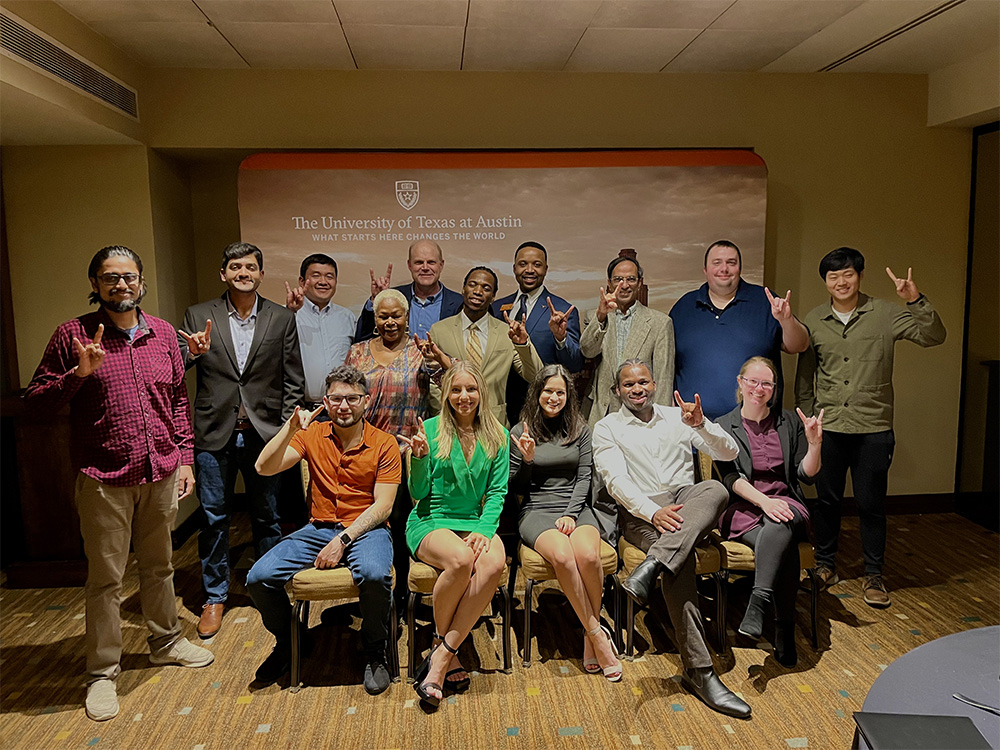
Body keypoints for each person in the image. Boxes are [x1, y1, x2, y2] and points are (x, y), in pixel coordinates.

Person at [24, 246, 214, 722]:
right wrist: (78, 374)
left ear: (141, 281)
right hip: (104, 478)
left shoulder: (164, 334)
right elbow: (36, 403)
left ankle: (166, 641)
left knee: (160, 566)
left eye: (129, 276)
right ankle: (102, 672)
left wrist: (186, 460)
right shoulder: (72, 336)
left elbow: (175, 402)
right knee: (106, 581)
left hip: (162, 471)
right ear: (95, 284)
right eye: (110, 278)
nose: (121, 285)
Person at [593, 360, 750, 719]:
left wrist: (704, 426)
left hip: (687, 502)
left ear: (654, 383)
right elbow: (616, 481)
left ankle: (650, 566)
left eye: (643, 382)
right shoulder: (607, 428)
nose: (637, 389)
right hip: (640, 511)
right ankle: (700, 671)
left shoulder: (680, 415)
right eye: (628, 384)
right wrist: (653, 512)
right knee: (678, 565)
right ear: (618, 391)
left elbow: (729, 453)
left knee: (713, 488)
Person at [795, 248, 946, 608]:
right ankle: (825, 565)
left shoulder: (887, 314)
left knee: (870, 504)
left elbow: (934, 336)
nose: (841, 282)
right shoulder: (814, 320)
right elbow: (805, 376)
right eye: (833, 276)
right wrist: (805, 421)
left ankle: (874, 574)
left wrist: (916, 300)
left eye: (848, 274)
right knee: (827, 501)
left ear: (860, 276)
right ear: (826, 282)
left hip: (873, 427)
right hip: (828, 427)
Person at [247, 365, 400, 694]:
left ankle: (375, 650)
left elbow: (383, 506)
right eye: (335, 399)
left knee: (375, 575)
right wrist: (289, 430)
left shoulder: (385, 443)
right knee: (258, 579)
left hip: (366, 529)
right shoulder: (311, 434)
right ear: (326, 402)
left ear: (366, 402)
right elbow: (264, 467)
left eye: (352, 398)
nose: (344, 406)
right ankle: (292, 640)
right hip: (317, 528)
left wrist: (343, 540)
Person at [179, 242, 304, 639]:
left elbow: (293, 379)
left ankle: (267, 584)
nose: (243, 273)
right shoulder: (199, 315)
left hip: (263, 434)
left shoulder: (281, 317)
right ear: (224, 274)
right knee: (214, 519)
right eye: (235, 267)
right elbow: (177, 364)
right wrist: (190, 353)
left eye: (250, 266)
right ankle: (214, 596)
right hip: (214, 431)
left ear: (261, 274)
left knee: (266, 515)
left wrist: (284, 432)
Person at [401, 361, 509, 710]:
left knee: (494, 563)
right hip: (431, 519)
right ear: (446, 394)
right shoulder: (430, 430)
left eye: (471, 389)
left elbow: (496, 492)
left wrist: (482, 529)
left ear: (482, 392)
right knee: (462, 560)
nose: (464, 396)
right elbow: (418, 493)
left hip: (475, 520)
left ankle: (442, 650)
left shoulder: (499, 435)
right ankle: (446, 655)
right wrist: (417, 458)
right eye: (457, 389)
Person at [509, 365, 620, 680]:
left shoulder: (580, 429)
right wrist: (528, 461)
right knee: (562, 556)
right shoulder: (521, 431)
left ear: (568, 395)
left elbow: (585, 476)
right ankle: (597, 633)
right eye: (547, 390)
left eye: (560, 391)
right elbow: (515, 487)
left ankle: (588, 634)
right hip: (536, 510)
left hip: (575, 508)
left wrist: (572, 513)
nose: (553, 397)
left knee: (587, 555)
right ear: (537, 393)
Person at [715, 357, 823, 667]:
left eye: (766, 383)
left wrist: (815, 445)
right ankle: (783, 629)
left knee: (782, 521)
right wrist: (765, 503)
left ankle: (759, 599)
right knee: (781, 534)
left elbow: (806, 475)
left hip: (788, 502)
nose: (759, 389)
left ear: (774, 389)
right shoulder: (724, 425)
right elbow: (730, 478)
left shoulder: (789, 422)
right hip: (745, 507)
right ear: (740, 382)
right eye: (753, 381)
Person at [345, 288, 434, 610]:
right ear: (375, 318)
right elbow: (346, 399)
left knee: (402, 524)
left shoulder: (421, 351)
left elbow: (444, 383)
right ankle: (374, 591)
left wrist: (436, 361)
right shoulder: (357, 353)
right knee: (370, 524)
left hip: (409, 454)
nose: (390, 321)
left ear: (407, 317)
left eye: (396, 315)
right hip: (365, 452)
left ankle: (405, 594)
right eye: (384, 315)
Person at [671, 240, 810, 420]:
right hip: (693, 426)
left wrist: (786, 319)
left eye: (731, 263)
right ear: (705, 270)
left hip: (755, 427)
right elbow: (667, 364)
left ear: (740, 268)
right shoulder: (684, 308)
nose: (724, 269)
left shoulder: (765, 302)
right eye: (717, 263)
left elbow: (800, 345)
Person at [426, 266, 543, 426]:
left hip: (494, 424)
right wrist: (444, 416)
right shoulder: (439, 330)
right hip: (450, 423)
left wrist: (522, 344)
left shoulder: (506, 333)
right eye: (473, 285)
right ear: (463, 289)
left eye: (486, 288)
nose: (478, 291)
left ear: (493, 296)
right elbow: (432, 382)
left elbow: (535, 375)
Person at [491, 241, 583, 425]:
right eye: (523, 264)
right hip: (498, 407)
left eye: (537, 264)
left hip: (542, 410)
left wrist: (560, 337)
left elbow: (575, 364)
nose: (530, 270)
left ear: (546, 269)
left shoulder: (562, 310)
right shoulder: (496, 308)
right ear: (514, 268)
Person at [581, 256, 674, 427]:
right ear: (609, 283)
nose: (624, 285)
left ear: (639, 283)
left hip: (642, 413)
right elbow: (587, 350)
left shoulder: (660, 323)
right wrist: (600, 317)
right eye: (618, 279)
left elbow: (664, 378)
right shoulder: (595, 316)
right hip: (602, 412)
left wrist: (660, 425)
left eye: (631, 279)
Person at [284, 253, 356, 408]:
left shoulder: (348, 318)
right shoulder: (287, 316)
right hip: (301, 409)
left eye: (329, 276)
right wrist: (289, 314)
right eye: (316, 276)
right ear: (302, 281)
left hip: (341, 409)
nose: (323, 282)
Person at [355, 239, 463, 342]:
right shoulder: (394, 298)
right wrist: (376, 301)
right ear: (409, 265)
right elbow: (363, 339)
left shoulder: (459, 303)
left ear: (441, 265)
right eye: (419, 262)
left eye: (431, 262)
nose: (425, 267)